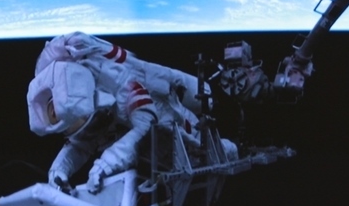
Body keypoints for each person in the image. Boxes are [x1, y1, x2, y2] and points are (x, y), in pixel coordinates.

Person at [27, 33, 237, 194]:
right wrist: (58, 173)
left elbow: (145, 126)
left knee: (204, 149)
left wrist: (104, 165)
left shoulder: (126, 88)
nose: (82, 132)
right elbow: (79, 145)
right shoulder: (80, 104)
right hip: (152, 148)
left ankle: (230, 149)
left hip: (173, 122)